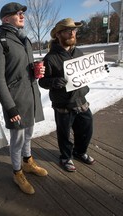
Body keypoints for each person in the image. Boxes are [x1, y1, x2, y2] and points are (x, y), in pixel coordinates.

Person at [0, 2, 48, 195]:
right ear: (6, 19)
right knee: (17, 139)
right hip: (16, 101)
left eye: (22, 13)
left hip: (31, 96)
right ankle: (17, 172)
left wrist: (38, 70)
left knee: (29, 133)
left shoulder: (25, 40)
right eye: (17, 13)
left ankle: (28, 162)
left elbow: (24, 68)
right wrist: (10, 108)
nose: (22, 16)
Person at [39, 18, 95, 172]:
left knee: (87, 129)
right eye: (67, 31)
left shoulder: (79, 52)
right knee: (64, 134)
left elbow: (87, 71)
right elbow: (42, 82)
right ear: (58, 35)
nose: (72, 33)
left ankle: (80, 152)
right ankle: (66, 157)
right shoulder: (50, 58)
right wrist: (53, 82)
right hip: (63, 104)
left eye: (74, 30)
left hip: (81, 100)